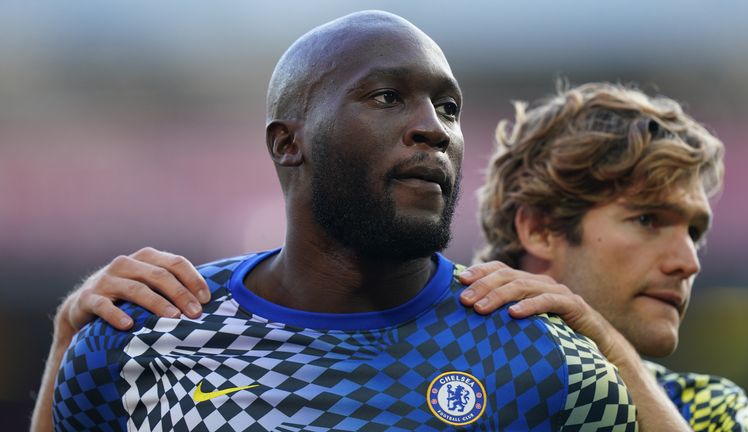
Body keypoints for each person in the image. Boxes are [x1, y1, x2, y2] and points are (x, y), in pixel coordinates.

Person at [33, 12, 638, 431]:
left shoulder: (545, 359)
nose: (433, 127)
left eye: (448, 108)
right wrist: (68, 339)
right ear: (287, 144)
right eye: (386, 97)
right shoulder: (138, 339)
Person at [459, 82, 748, 430]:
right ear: (541, 230)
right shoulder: (444, 378)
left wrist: (610, 349)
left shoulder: (710, 407)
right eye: (647, 220)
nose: (689, 263)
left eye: (694, 233)